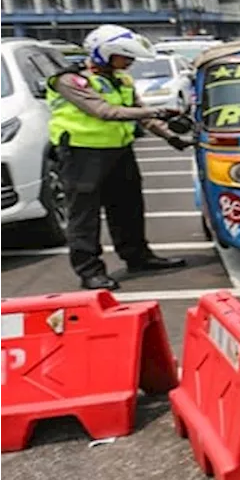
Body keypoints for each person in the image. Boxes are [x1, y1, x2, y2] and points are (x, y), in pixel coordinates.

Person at [46, 24, 191, 290]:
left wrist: (170, 137)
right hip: (81, 154)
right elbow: (103, 111)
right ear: (104, 54)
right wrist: (158, 113)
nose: (130, 62)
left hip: (119, 151)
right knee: (84, 216)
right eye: (125, 57)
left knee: (128, 207)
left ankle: (138, 257)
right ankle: (90, 271)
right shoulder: (70, 80)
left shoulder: (122, 78)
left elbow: (139, 111)